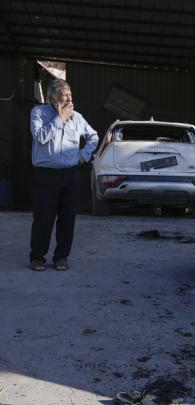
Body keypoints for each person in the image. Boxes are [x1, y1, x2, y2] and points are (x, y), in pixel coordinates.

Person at [29, 79, 98, 271]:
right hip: (46, 176)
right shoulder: (38, 113)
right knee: (43, 217)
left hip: (70, 175)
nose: (69, 98)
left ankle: (61, 257)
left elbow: (94, 136)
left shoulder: (77, 117)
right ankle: (37, 257)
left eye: (70, 94)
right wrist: (60, 118)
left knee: (68, 218)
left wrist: (84, 155)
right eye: (64, 94)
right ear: (52, 97)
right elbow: (41, 137)